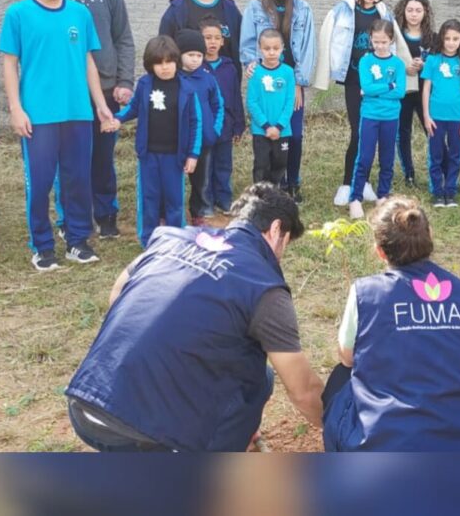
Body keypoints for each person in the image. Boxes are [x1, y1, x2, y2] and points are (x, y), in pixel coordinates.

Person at [67, 182, 324, 452]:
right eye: (286, 244)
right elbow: (302, 391)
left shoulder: (170, 239)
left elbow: (118, 292)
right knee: (258, 379)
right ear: (276, 231)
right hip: (147, 436)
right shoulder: (263, 285)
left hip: (86, 408)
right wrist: (341, 431)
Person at [322, 196, 460, 451]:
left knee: (341, 377)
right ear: (430, 237)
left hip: (388, 444)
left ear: (380, 251)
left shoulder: (365, 294)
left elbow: (348, 357)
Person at [0, 0, 116, 271]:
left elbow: (88, 61)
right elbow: (10, 64)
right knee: (39, 182)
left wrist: (100, 106)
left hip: (78, 112)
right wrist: (15, 108)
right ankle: (42, 245)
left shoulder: (80, 14)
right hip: (39, 116)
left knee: (78, 178)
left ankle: (78, 241)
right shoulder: (18, 14)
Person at [51, 0, 136, 240]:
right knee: (69, 160)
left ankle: (107, 215)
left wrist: (125, 80)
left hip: (106, 91)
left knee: (102, 159)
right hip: (65, 95)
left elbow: (123, 39)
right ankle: (69, 218)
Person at [314, 0, 412, 207]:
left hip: (379, 81)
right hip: (354, 78)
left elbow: (396, 40)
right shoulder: (343, 9)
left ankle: (365, 183)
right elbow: (328, 39)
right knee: (359, 130)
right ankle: (348, 183)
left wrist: (408, 65)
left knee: (375, 134)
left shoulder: (383, 12)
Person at [109, 35, 201, 247]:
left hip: (175, 157)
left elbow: (196, 122)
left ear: (176, 62)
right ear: (150, 65)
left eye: (169, 62)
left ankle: (176, 241)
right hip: (148, 155)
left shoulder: (186, 89)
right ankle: (149, 242)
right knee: (149, 199)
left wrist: (193, 155)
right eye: (158, 63)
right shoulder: (145, 84)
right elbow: (133, 108)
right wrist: (118, 119)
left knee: (174, 200)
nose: (164, 67)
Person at [239, 0, 316, 203]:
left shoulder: (303, 8)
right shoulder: (255, 7)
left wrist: (300, 83)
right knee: (267, 130)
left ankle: (292, 181)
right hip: (266, 78)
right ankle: (272, 184)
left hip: (290, 80)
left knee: (292, 134)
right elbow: (248, 43)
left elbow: (307, 47)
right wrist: (252, 65)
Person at [347, 20, 405, 220]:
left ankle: (383, 194)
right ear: (371, 39)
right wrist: (388, 86)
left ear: (391, 40)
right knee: (364, 157)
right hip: (370, 115)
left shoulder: (397, 63)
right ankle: (355, 197)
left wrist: (377, 91)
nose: (380, 46)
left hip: (391, 116)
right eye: (376, 41)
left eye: (384, 42)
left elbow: (401, 91)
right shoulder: (366, 61)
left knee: (388, 157)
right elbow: (367, 88)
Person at [421, 19, 460, 208]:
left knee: (454, 155)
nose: (451, 42)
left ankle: (450, 191)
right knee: (435, 155)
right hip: (436, 117)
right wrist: (426, 116)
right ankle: (437, 192)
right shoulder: (433, 60)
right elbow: (426, 89)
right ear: (441, 39)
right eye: (447, 38)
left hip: (456, 117)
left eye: (455, 39)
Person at [159, 0, 243, 70]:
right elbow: (164, 46)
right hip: (189, 81)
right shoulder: (177, 9)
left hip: (224, 79)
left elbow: (242, 43)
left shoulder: (230, 9)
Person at [176, 29, 224, 224]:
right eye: (190, 55)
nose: (195, 59)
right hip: (178, 141)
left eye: (199, 55)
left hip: (204, 139)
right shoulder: (174, 79)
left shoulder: (207, 78)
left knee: (201, 180)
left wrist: (215, 129)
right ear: (179, 55)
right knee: (175, 180)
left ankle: (200, 211)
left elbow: (218, 104)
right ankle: (174, 213)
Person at [201, 18, 245, 214]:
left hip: (226, 126)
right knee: (206, 166)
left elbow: (236, 97)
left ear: (222, 42)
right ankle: (206, 202)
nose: (212, 42)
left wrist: (238, 125)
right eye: (207, 38)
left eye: (216, 38)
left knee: (223, 165)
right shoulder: (196, 67)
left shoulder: (229, 67)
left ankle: (224, 199)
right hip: (204, 127)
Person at [246, 30, 297, 186]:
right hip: (261, 130)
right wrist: (267, 126)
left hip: (283, 130)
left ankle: (274, 194)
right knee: (261, 164)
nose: (271, 52)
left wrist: (279, 126)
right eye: (267, 48)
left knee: (280, 163)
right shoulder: (255, 73)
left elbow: (290, 102)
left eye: (276, 48)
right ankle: (259, 195)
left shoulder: (288, 72)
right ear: (260, 49)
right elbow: (251, 102)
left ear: (282, 48)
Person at [394, 0, 434, 187]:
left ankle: (436, 169)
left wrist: (426, 67)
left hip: (425, 92)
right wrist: (405, 68)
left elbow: (438, 65)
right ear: (403, 11)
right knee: (403, 132)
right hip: (403, 92)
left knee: (431, 129)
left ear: (425, 12)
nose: (414, 14)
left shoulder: (432, 38)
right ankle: (409, 173)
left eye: (418, 10)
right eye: (410, 10)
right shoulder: (396, 37)